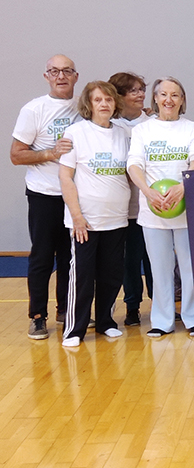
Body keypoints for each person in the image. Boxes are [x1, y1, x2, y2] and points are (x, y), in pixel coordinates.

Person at [127, 77, 194, 338]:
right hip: (153, 210)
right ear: (155, 98)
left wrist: (184, 186)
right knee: (159, 269)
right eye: (163, 94)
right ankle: (162, 321)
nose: (168, 100)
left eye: (175, 95)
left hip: (187, 210)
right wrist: (147, 191)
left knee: (191, 267)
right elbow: (134, 164)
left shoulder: (192, 129)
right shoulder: (142, 130)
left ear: (182, 100)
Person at [11, 55, 80, 340]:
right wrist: (51, 153)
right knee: (42, 256)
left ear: (75, 76)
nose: (60, 76)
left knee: (70, 256)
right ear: (46, 76)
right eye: (54, 71)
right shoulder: (34, 109)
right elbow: (16, 155)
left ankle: (66, 309)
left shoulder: (84, 106)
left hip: (74, 195)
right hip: (44, 195)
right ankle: (38, 316)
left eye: (66, 71)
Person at [58, 81, 131, 347]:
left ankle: (105, 322)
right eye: (98, 100)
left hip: (117, 218)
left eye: (109, 99)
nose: (104, 104)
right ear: (89, 104)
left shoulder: (123, 134)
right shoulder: (75, 133)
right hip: (86, 221)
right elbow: (65, 177)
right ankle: (74, 329)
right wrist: (76, 216)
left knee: (111, 274)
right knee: (82, 276)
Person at [110, 72, 153, 327]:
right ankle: (132, 307)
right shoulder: (110, 126)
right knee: (130, 260)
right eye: (133, 91)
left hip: (152, 204)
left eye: (141, 89)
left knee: (155, 259)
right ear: (119, 96)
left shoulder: (153, 122)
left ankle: (162, 304)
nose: (140, 95)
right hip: (124, 208)